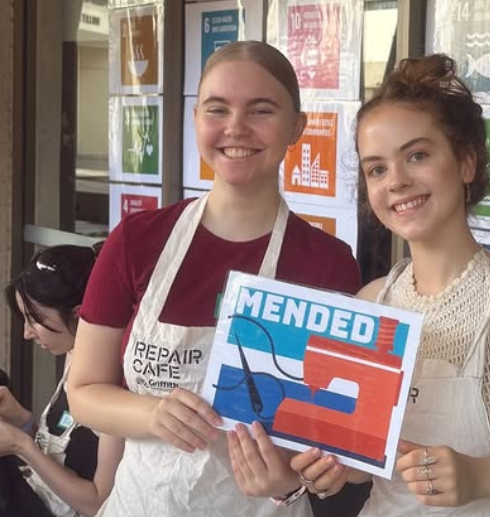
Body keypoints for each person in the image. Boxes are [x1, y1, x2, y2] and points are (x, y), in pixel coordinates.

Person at [231, 54, 490, 516]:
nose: (397, 181)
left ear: (466, 162)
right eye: (377, 169)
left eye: (417, 156)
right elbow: (368, 462)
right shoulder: (371, 302)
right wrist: (330, 467)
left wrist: (479, 476)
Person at [67, 41, 363, 517]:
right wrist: (151, 413)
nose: (236, 128)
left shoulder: (326, 265)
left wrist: (298, 478)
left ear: (297, 128)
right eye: (217, 109)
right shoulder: (136, 241)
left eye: (261, 110)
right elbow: (82, 393)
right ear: (196, 119)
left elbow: (332, 437)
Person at [0, 244, 125, 517]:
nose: (27, 333)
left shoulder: (115, 388)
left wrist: (22, 446)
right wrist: (23, 421)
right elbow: (60, 454)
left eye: (36, 320)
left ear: (79, 315)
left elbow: (97, 504)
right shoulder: (74, 354)